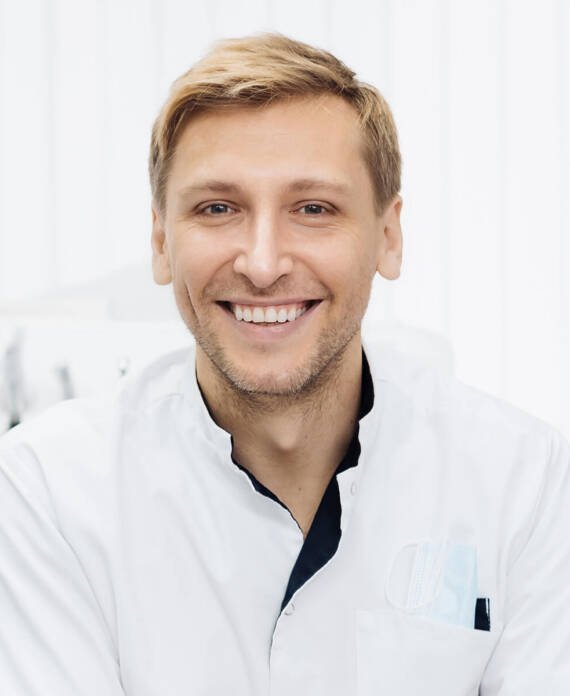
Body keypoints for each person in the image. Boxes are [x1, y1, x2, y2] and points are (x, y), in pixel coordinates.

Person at [0, 32, 569, 696]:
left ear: (388, 236)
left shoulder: (523, 483)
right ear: (160, 241)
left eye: (313, 209)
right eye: (218, 208)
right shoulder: (48, 492)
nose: (263, 263)